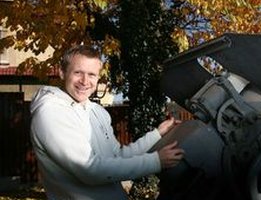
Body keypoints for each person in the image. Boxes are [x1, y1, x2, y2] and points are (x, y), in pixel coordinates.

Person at [30, 45, 184, 199]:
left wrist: (157, 133)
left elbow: (117, 155)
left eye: (92, 74)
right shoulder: (51, 112)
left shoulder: (97, 111)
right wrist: (156, 161)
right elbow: (90, 171)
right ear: (62, 73)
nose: (85, 81)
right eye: (78, 73)